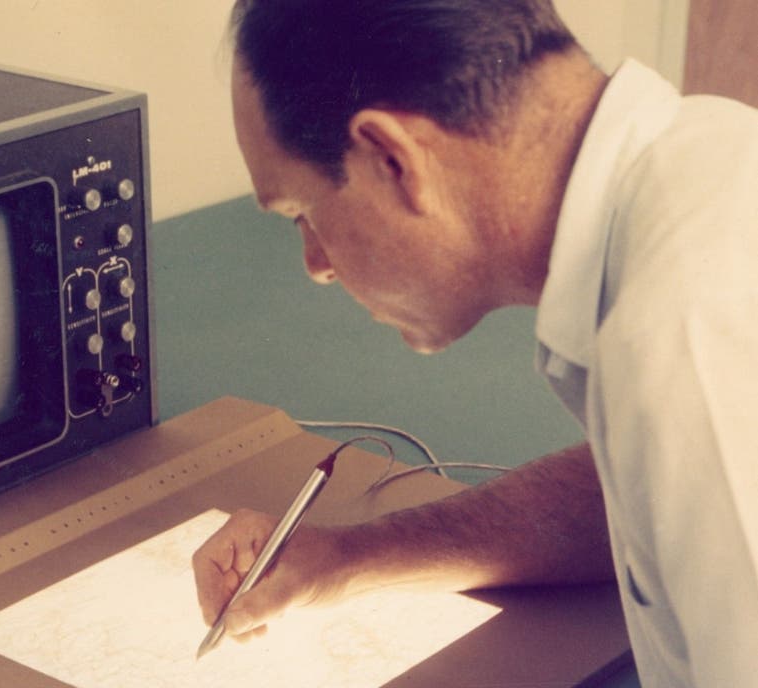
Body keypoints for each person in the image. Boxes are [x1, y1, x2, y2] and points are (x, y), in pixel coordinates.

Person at [190, 1, 758, 686]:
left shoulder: (680, 336)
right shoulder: (709, 149)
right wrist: (344, 560)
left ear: (393, 160)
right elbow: (642, 499)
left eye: (301, 213)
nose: (316, 265)